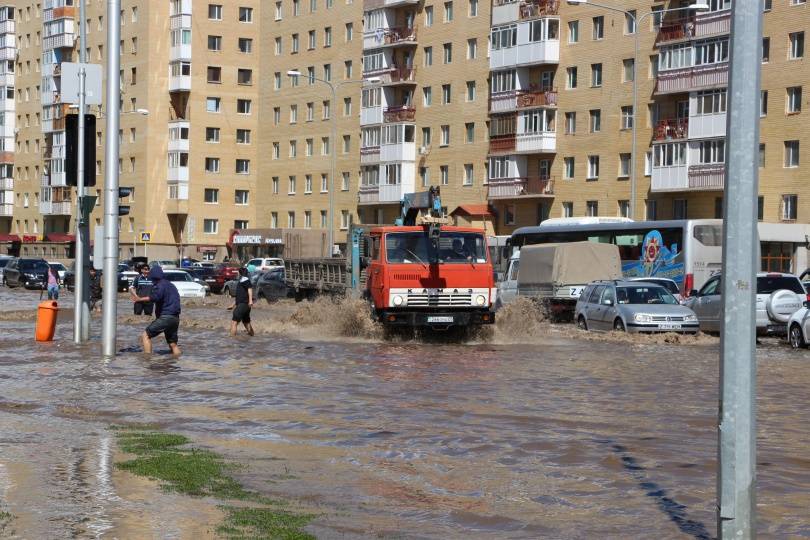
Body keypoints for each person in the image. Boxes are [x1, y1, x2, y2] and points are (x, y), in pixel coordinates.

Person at [132, 266, 182, 356]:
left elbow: (154, 297)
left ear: (154, 277)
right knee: (173, 344)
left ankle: (147, 360)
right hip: (175, 318)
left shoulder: (159, 285)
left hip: (166, 317)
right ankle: (177, 363)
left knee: (145, 335)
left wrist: (139, 299)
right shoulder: (171, 285)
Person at [228, 267, 255, 336]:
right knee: (246, 323)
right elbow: (240, 296)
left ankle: (231, 341)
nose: (237, 274)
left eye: (237, 272)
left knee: (234, 322)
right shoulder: (242, 281)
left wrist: (251, 301)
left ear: (240, 273)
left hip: (243, 305)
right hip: (245, 305)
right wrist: (233, 305)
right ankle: (252, 336)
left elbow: (250, 289)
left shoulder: (245, 280)